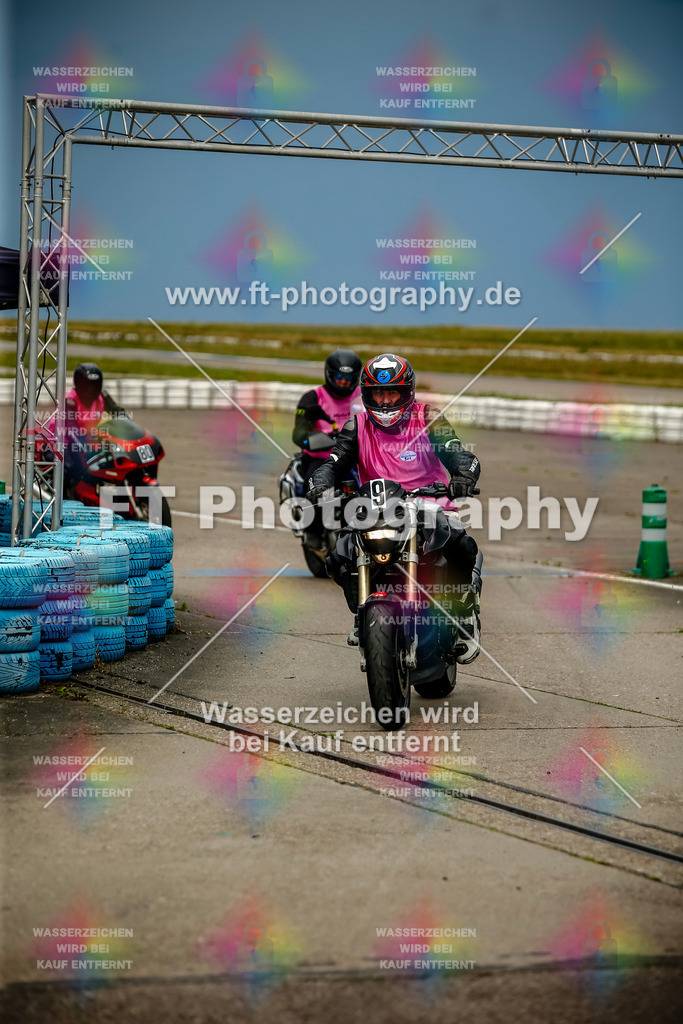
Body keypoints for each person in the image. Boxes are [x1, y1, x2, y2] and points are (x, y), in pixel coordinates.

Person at [307, 353, 482, 662]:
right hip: (377, 507)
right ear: (367, 394)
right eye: (378, 393)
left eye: (392, 393)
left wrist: (464, 474)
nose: (385, 402)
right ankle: (363, 614)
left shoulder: (427, 417)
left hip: (430, 504)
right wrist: (320, 480)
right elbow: (334, 461)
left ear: (407, 392)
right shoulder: (357, 426)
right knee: (338, 558)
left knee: (459, 544)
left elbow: (456, 451)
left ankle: (464, 613)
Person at [291, 349, 362, 545]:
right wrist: (317, 438)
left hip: (357, 456)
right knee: (312, 485)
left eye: (349, 378)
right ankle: (312, 529)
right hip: (322, 458)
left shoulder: (365, 395)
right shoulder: (312, 398)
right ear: (330, 374)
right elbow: (297, 434)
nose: (344, 382)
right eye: (339, 376)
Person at [37, 363, 128, 477]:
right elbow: (71, 431)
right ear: (79, 384)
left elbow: (119, 413)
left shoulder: (102, 397)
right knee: (74, 469)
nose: (90, 389)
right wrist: (85, 449)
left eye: (94, 385)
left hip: (84, 441)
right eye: (87, 385)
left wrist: (131, 430)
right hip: (60, 444)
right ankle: (65, 493)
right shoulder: (70, 401)